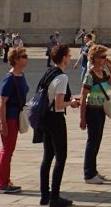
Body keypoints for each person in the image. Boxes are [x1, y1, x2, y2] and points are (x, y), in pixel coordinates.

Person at [37, 43, 80, 207]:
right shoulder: (62, 77)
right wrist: (73, 102)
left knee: (47, 157)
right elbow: (59, 103)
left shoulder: (49, 72)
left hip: (45, 118)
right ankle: (54, 197)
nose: (70, 58)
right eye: (69, 55)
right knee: (61, 157)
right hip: (55, 119)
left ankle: (44, 195)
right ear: (63, 58)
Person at [0, 46, 29, 194]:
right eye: (24, 56)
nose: (26, 58)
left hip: (15, 116)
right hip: (8, 118)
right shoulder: (10, 77)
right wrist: (3, 123)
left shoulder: (21, 75)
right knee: (8, 150)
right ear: (16, 60)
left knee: (6, 150)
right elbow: (1, 102)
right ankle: (3, 184)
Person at [79, 44, 111, 185]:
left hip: (101, 110)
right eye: (102, 57)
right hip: (92, 111)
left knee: (97, 141)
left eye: (105, 57)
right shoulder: (90, 75)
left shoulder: (103, 73)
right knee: (92, 142)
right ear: (94, 58)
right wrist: (82, 118)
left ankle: (93, 171)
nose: (104, 59)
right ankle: (88, 174)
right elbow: (83, 97)